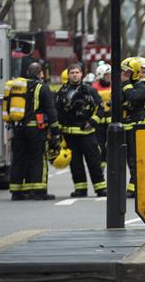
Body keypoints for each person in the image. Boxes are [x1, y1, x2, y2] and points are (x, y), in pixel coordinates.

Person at [8, 62, 59, 200]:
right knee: (38, 158)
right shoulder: (42, 88)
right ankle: (39, 190)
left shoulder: (17, 87)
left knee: (19, 158)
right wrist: (55, 131)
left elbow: (8, 107)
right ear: (40, 73)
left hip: (18, 128)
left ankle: (17, 191)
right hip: (35, 129)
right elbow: (50, 110)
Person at [55, 63, 107, 197]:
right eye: (72, 73)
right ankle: (80, 189)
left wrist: (92, 122)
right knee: (76, 164)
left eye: (77, 72)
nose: (74, 75)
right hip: (70, 134)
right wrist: (59, 132)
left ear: (81, 74)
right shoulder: (62, 92)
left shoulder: (90, 91)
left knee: (94, 161)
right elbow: (58, 112)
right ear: (68, 75)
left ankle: (100, 188)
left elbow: (100, 108)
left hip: (87, 133)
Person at [121, 58, 145, 198]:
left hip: (137, 128)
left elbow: (134, 97)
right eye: (123, 71)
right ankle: (132, 185)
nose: (123, 74)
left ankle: (134, 187)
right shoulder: (122, 85)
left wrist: (125, 83)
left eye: (127, 72)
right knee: (127, 159)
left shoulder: (141, 86)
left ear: (135, 73)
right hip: (125, 128)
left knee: (135, 158)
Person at [91, 63, 112, 168]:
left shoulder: (114, 85)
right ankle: (101, 163)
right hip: (99, 120)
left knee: (111, 143)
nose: (109, 77)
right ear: (100, 75)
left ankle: (109, 162)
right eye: (107, 75)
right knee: (99, 144)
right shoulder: (94, 88)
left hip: (111, 119)